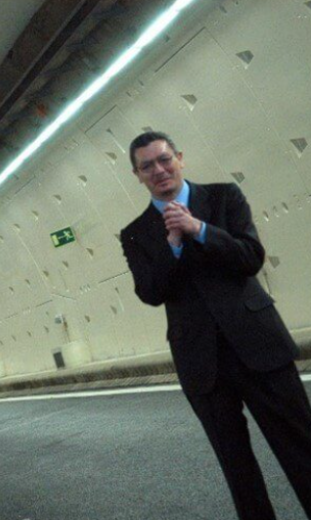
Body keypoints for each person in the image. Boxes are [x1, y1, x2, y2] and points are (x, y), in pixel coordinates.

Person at [120, 131, 311, 520]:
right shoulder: (136, 233)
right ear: (137, 175)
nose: (158, 170)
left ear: (180, 158)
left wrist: (199, 231)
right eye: (147, 166)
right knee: (237, 468)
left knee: (301, 447)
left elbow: (250, 257)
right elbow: (151, 292)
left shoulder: (224, 198)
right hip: (202, 364)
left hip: (259, 345)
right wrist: (173, 246)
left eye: (164, 159)